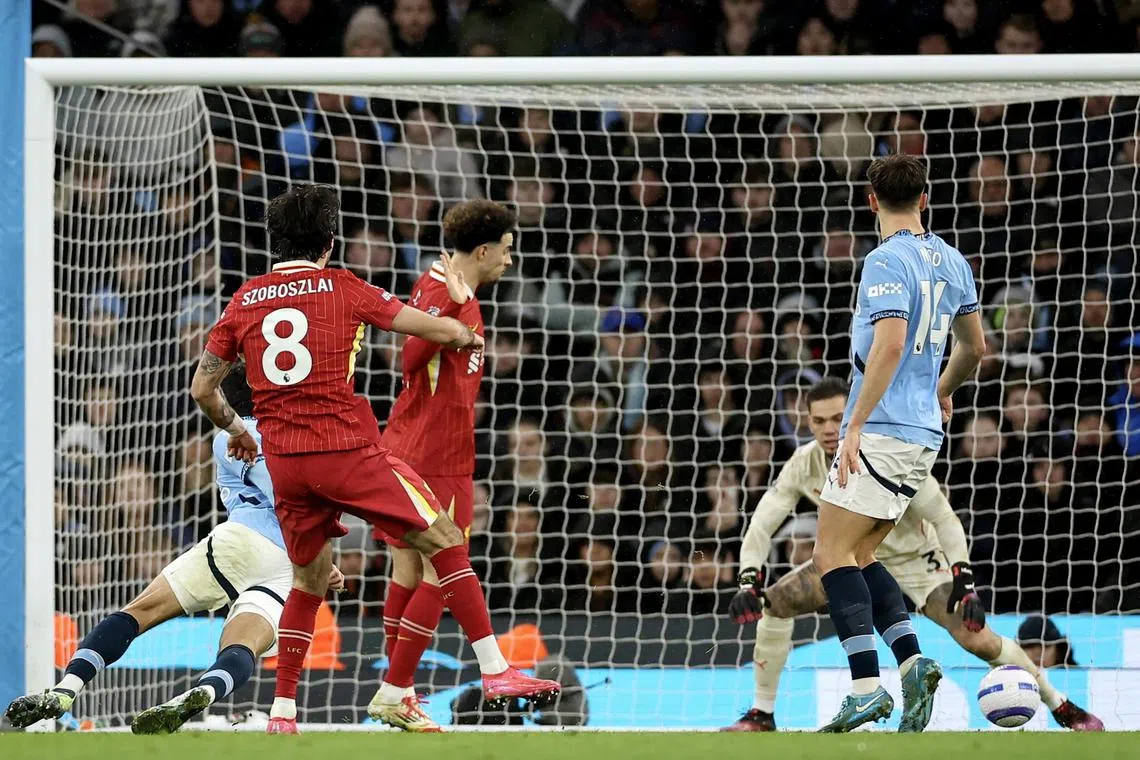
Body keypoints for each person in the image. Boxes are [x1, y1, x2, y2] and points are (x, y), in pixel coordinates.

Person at [190, 184, 557, 735]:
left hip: (285, 463)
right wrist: (461, 326)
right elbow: (428, 332)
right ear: (329, 243)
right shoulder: (345, 286)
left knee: (308, 579)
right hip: (345, 450)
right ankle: (496, 670)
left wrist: (237, 428)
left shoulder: (244, 299)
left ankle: (284, 712)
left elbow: (202, 388)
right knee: (444, 539)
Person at [723, 378, 1103, 733]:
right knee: (772, 604)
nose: (827, 428)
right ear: (806, 421)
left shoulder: (889, 454)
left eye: (838, 417)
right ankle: (763, 713)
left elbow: (944, 518)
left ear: (857, 412)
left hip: (916, 560)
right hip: (852, 559)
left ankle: (1060, 705)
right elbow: (761, 523)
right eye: (819, 420)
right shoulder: (804, 462)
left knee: (976, 640)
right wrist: (748, 578)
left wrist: (964, 583)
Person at [4, 369, 346, 733]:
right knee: (243, 645)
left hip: (240, 540)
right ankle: (203, 692)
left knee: (140, 611)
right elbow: (303, 500)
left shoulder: (227, 438)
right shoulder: (298, 439)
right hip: (289, 561)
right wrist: (321, 560)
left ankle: (65, 689)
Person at [811, 153, 986, 733]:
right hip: (923, 436)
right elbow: (975, 348)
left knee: (830, 556)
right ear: (925, 199)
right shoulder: (953, 261)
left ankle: (865, 687)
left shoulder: (886, 260)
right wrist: (940, 390)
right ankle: (913, 663)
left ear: (870, 200)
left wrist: (854, 422)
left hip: (882, 429)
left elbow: (888, 345)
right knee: (862, 557)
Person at [371, 199, 516, 732]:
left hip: (422, 442)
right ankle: (396, 690)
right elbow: (410, 357)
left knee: (409, 570)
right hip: (434, 451)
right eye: (505, 250)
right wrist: (457, 312)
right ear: (482, 250)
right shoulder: (442, 290)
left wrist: (464, 308)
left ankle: (401, 692)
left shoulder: (451, 286)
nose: (509, 260)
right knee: (440, 567)